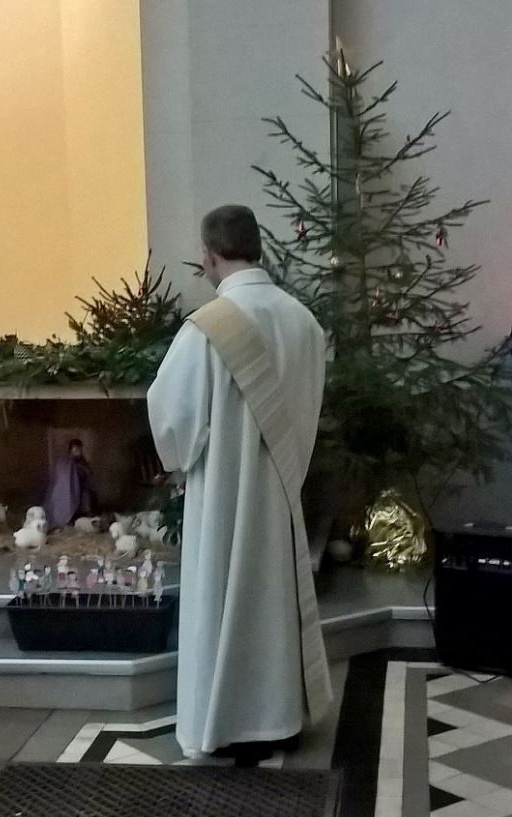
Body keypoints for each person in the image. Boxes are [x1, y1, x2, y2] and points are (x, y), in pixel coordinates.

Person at [147, 205, 331, 765]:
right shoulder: (303, 321)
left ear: (209, 254)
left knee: (222, 601)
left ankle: (225, 722)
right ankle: (277, 718)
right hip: (278, 489)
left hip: (225, 494)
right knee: (273, 599)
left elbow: (173, 419)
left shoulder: (208, 328)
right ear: (258, 247)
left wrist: (183, 458)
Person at [43, 438, 98, 528]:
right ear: (71, 450)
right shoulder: (65, 461)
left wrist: (83, 471)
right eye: (76, 450)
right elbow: (61, 478)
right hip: (66, 490)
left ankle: (80, 516)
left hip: (81, 489)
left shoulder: (82, 461)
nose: (78, 452)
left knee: (87, 497)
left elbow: (88, 473)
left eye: (79, 450)